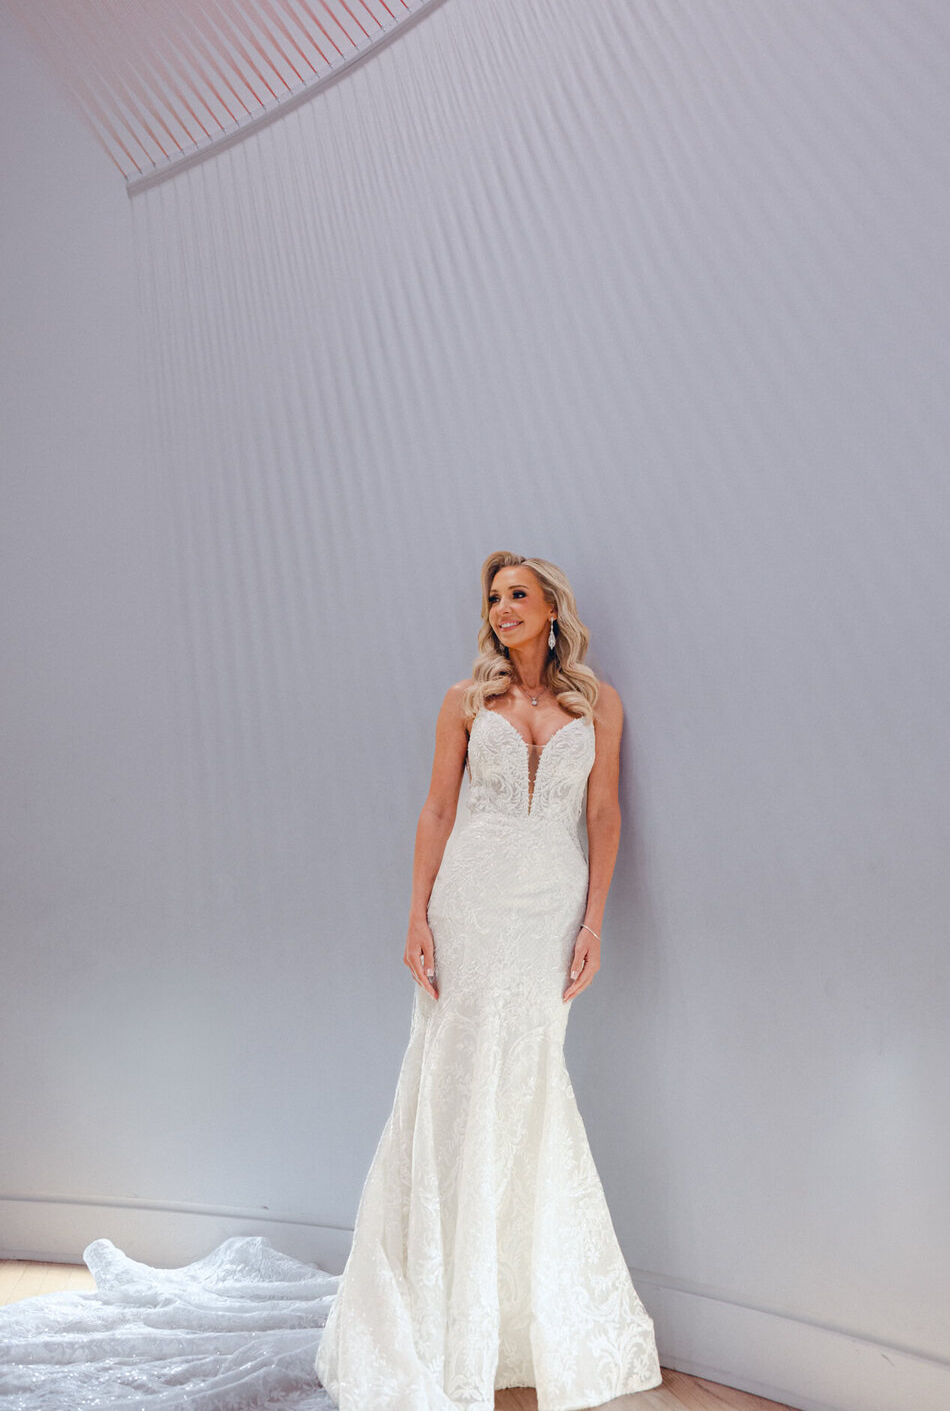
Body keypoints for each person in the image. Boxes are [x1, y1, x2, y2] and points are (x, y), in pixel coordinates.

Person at [314, 550, 662, 1411]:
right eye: (494, 599)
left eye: (518, 595)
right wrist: (416, 914)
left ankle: (515, 1314)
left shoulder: (598, 703)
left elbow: (605, 814)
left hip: (550, 909)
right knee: (457, 1083)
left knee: (530, 1085)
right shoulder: (465, 702)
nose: (502, 609)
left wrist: (593, 922)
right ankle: (438, 1305)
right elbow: (437, 808)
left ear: (552, 608)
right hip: (469, 906)